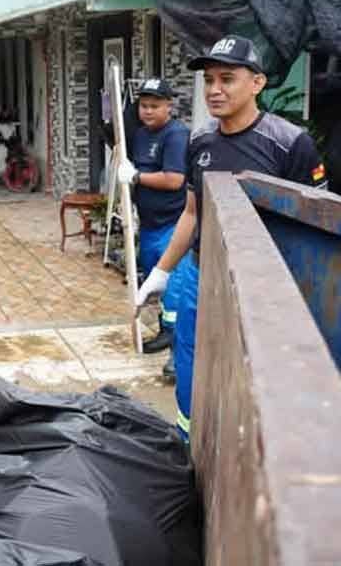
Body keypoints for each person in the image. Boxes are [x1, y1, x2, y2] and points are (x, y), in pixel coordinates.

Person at [136, 35, 328, 441]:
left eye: (227, 79)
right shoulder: (201, 141)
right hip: (200, 274)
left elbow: (314, 227)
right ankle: (189, 445)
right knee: (190, 364)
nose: (214, 90)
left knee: (251, 376)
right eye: (209, 80)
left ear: (257, 83)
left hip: (262, 287)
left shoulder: (290, 143)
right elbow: (192, 212)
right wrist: (162, 272)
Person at [117, 78, 190, 381]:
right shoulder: (140, 135)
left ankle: (175, 343)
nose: (147, 111)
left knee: (175, 288)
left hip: (173, 223)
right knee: (155, 283)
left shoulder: (176, 135)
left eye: (154, 106)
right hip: (148, 223)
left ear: (168, 106)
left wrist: (135, 178)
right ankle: (165, 331)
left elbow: (174, 180)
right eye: (144, 105)